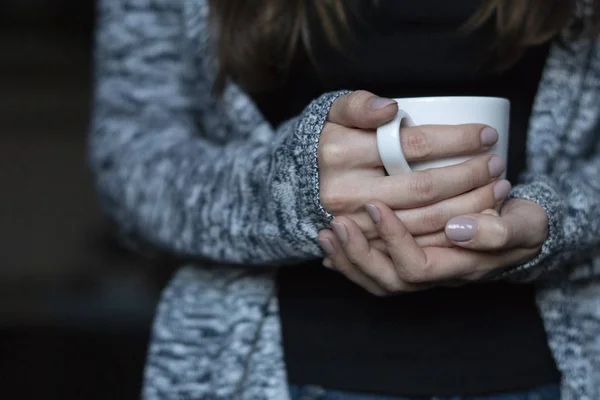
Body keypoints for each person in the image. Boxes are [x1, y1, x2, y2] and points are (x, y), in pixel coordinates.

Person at [90, 0, 600, 399]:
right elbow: (129, 165)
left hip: (557, 370)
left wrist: (556, 219)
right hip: (260, 371)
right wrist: (288, 190)